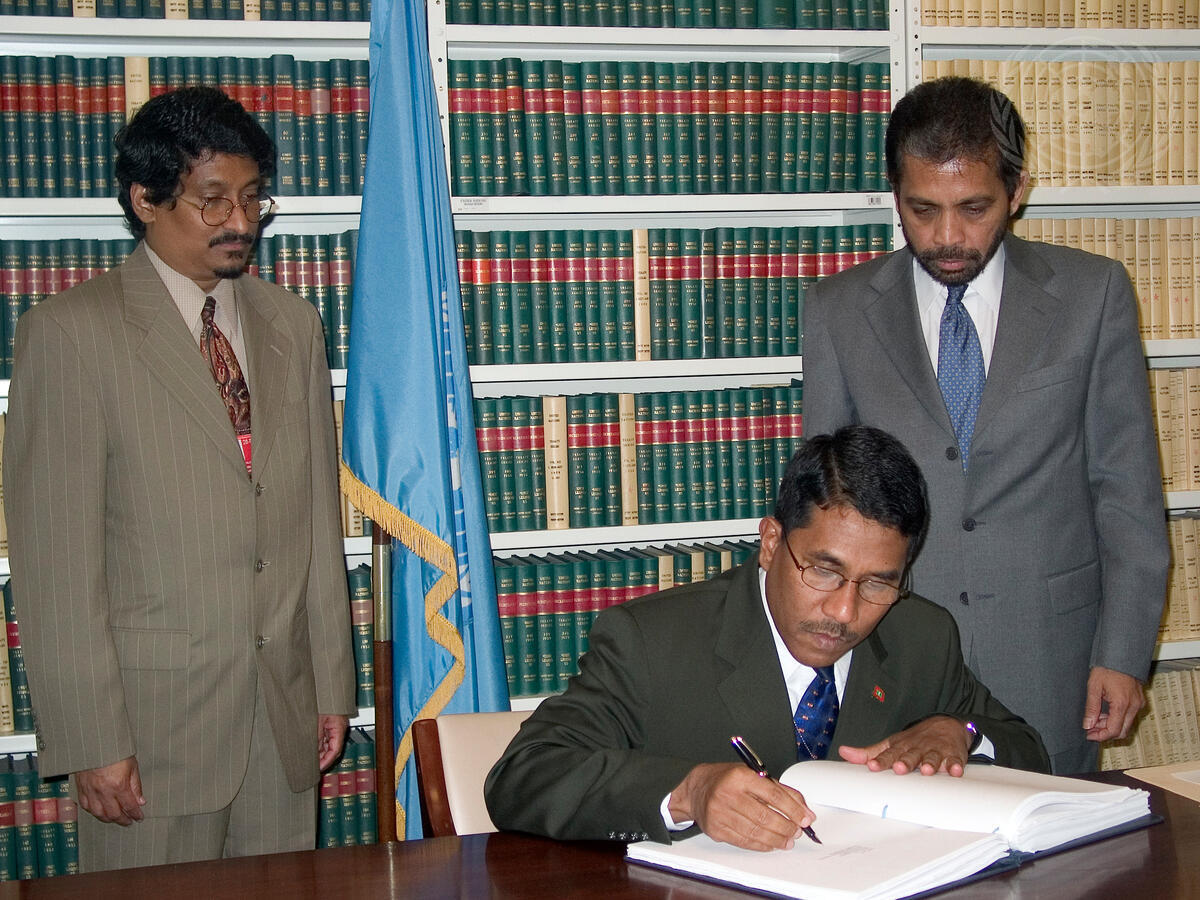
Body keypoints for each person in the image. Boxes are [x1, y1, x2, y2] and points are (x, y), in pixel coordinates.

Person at [3, 86, 355, 871]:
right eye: (214, 200)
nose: (241, 222)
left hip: (283, 715)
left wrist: (331, 684)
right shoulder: (70, 335)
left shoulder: (292, 325)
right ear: (146, 199)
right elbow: (55, 565)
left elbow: (314, 524)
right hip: (149, 731)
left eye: (254, 198)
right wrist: (91, 738)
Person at [801, 76, 1168, 775]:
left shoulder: (1093, 295)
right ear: (895, 194)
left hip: (1053, 659)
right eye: (922, 209)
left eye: (974, 208)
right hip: (890, 658)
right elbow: (824, 513)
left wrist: (1123, 654)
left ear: (1017, 191)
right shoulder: (837, 310)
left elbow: (1127, 495)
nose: (947, 236)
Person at [485, 426, 1049, 850]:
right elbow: (523, 775)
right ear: (772, 543)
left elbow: (1030, 753)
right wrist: (688, 791)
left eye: (879, 584)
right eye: (823, 571)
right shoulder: (650, 642)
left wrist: (962, 732)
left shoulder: (923, 635)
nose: (845, 611)